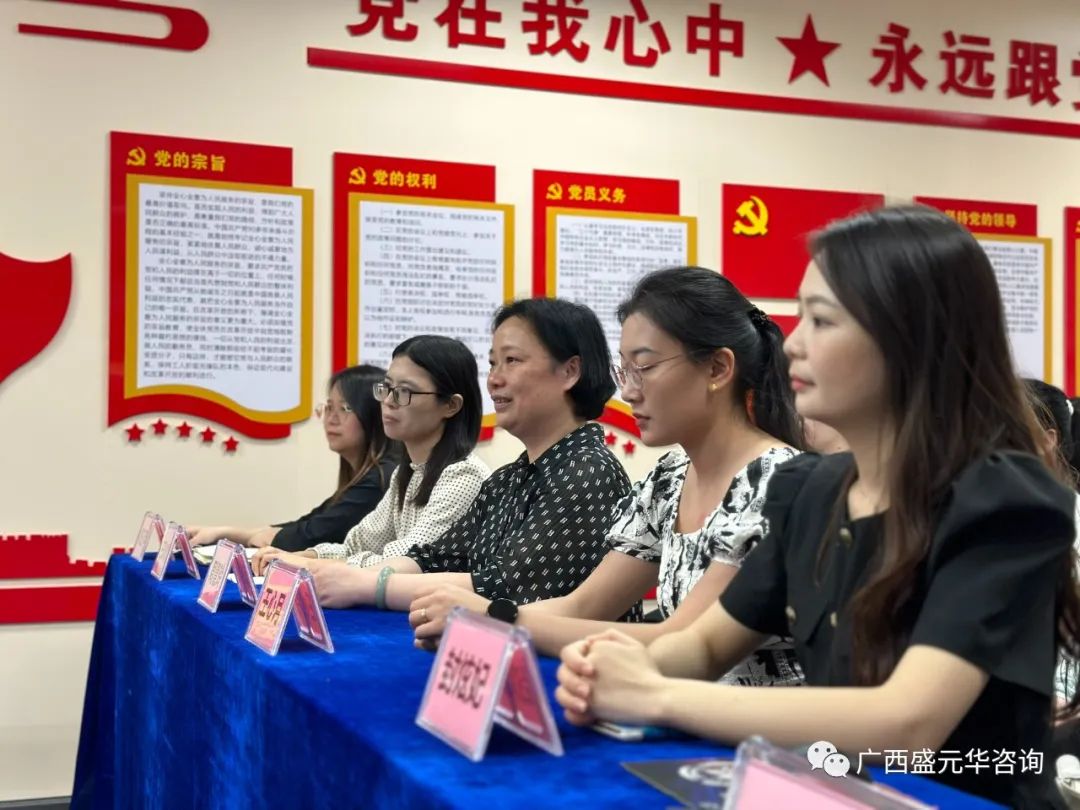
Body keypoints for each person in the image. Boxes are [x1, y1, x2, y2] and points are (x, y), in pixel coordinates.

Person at [555, 206, 1080, 808]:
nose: (794, 345)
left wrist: (656, 695)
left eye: (822, 320)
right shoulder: (810, 490)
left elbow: (908, 721)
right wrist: (613, 661)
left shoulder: (1006, 503)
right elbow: (703, 646)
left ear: (911, 338)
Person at [411, 267, 804, 688]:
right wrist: (483, 621)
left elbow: (684, 642)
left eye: (644, 367)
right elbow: (583, 605)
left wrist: (494, 618)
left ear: (717, 369)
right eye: (624, 371)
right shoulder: (670, 479)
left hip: (757, 725)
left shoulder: (773, 482)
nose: (629, 392)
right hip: (677, 711)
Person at [296, 298, 632, 613]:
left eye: (512, 361)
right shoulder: (506, 480)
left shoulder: (589, 471)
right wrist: (334, 572)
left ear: (569, 372)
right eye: (492, 363)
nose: (494, 380)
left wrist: (368, 585)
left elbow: (501, 587)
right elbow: (435, 558)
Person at [252, 336, 489, 573]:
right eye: (386, 388)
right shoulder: (408, 472)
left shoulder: (463, 476)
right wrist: (299, 556)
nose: (388, 401)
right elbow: (357, 545)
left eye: (404, 391)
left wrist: (309, 564)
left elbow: (406, 561)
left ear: (451, 405)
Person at [188, 365, 399, 550]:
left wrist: (242, 535)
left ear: (375, 414)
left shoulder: (381, 478)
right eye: (328, 407)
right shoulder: (368, 474)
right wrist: (226, 532)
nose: (331, 419)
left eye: (345, 408)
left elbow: (310, 535)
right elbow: (309, 523)